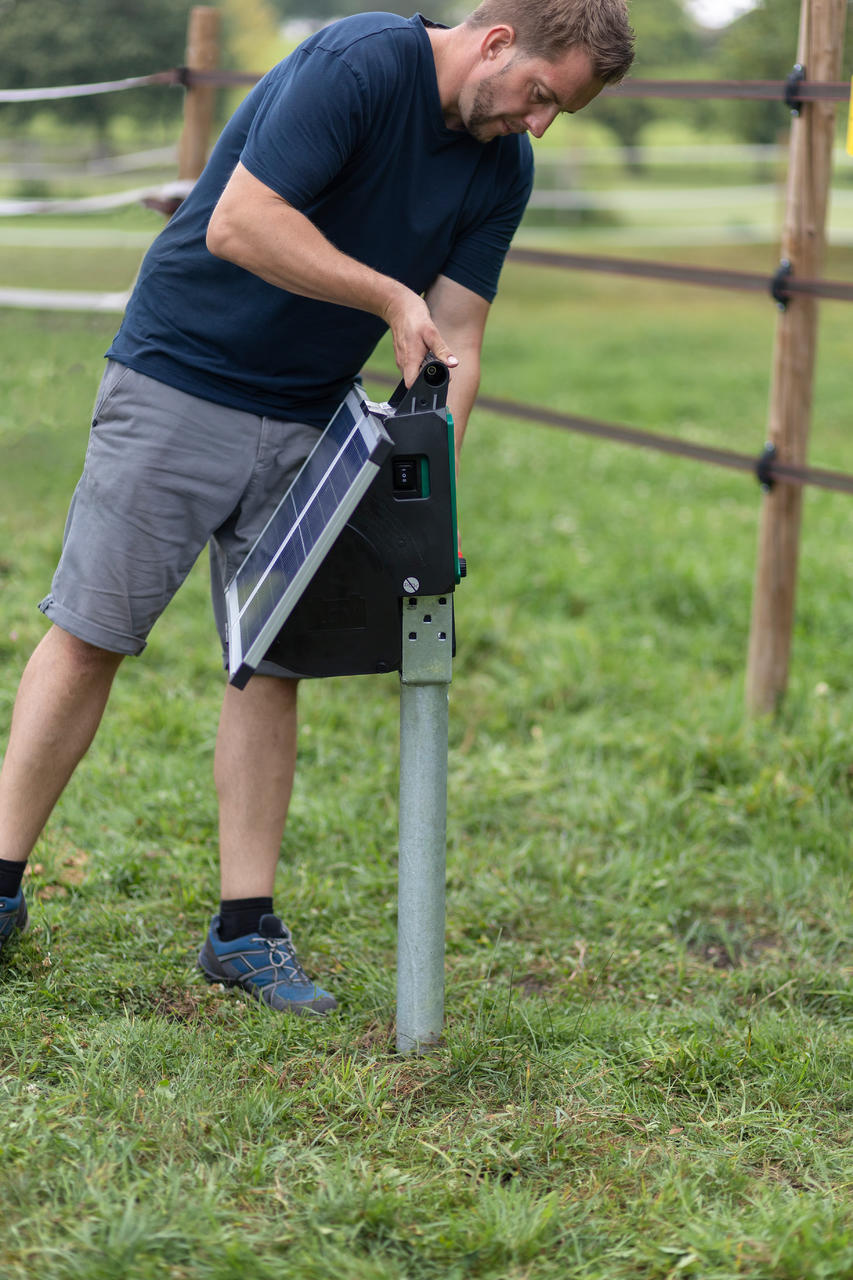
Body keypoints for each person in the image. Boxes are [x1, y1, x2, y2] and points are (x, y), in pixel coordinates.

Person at [0, 2, 634, 1013]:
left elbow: (460, 332)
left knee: (270, 660)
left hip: (311, 420)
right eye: (541, 96)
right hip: (181, 376)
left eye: (561, 112)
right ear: (496, 41)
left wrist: (433, 483)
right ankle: (1, 883)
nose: (540, 124)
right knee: (92, 633)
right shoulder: (356, 64)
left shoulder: (499, 167)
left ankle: (243, 928)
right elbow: (238, 223)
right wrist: (388, 298)